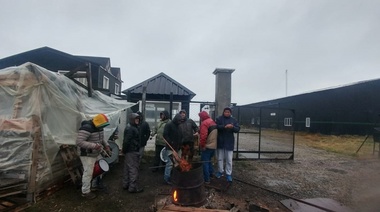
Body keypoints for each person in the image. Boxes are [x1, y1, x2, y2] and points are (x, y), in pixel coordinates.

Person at [76, 113, 111, 199]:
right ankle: (85, 192)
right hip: (87, 154)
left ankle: (95, 185)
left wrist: (106, 146)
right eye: (102, 125)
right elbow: (79, 142)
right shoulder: (86, 128)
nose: (103, 127)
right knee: (88, 172)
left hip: (96, 152)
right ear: (97, 122)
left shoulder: (99, 127)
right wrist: (94, 145)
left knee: (100, 169)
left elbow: (101, 138)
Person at [215, 107, 240, 182]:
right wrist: (224, 127)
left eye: (228, 112)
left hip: (229, 142)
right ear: (223, 112)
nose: (227, 113)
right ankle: (220, 171)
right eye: (225, 112)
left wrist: (232, 127)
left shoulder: (233, 120)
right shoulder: (219, 119)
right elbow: (216, 126)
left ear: (230, 113)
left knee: (229, 160)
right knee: (220, 158)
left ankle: (228, 174)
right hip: (220, 141)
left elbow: (237, 129)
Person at [122, 113, 144, 193]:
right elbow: (126, 141)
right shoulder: (131, 129)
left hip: (129, 151)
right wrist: (124, 150)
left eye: (138, 119)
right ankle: (133, 187)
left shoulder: (130, 127)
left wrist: (125, 150)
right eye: (136, 119)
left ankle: (125, 184)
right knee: (133, 169)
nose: (137, 120)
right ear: (132, 119)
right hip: (132, 151)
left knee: (127, 168)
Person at [162, 113, 183, 185]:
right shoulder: (169, 125)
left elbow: (181, 136)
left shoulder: (179, 126)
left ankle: (175, 177)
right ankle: (166, 178)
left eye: (181, 121)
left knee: (177, 163)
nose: (180, 122)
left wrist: (180, 144)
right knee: (170, 163)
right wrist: (171, 142)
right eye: (179, 121)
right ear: (176, 119)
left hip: (178, 148)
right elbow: (165, 136)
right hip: (170, 148)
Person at [198, 111, 217, 184]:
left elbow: (203, 136)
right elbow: (210, 131)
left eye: (200, 117)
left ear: (202, 117)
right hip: (214, 146)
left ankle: (206, 179)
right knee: (209, 161)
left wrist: (202, 145)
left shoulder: (204, 123)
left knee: (204, 162)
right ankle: (211, 174)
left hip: (207, 146)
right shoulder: (212, 121)